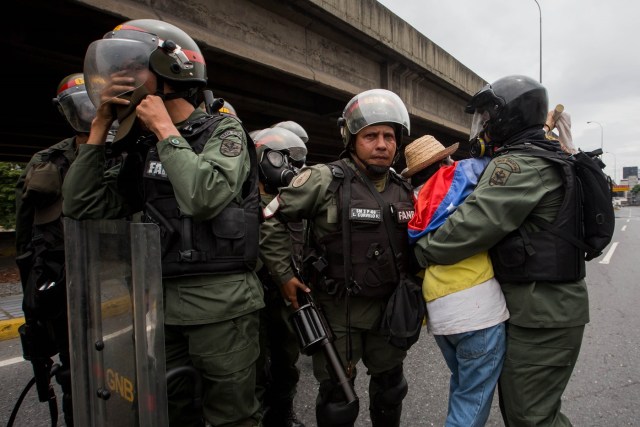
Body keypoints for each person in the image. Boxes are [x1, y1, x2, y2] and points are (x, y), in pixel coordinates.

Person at [61, 19, 264, 427]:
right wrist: (100, 129)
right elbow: (81, 204)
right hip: (155, 306)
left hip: (219, 309)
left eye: (133, 70)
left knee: (232, 417)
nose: (121, 80)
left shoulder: (222, 130)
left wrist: (165, 129)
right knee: (168, 413)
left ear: (171, 73)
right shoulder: (138, 146)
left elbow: (205, 197)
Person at [413, 75, 589, 426]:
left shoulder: (519, 166)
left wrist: (419, 251)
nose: (484, 127)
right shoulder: (539, 155)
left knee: (531, 417)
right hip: (539, 308)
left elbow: (465, 230)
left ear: (508, 115)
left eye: (488, 116)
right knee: (523, 411)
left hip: (542, 313)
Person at [261, 88, 416, 427]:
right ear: (352, 139)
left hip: (389, 314)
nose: (381, 144)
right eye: (371, 135)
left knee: (391, 389)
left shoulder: (404, 189)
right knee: (338, 399)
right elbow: (271, 217)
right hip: (337, 312)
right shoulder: (324, 179)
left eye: (389, 136)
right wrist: (284, 275)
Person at [403, 135, 509, 427]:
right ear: (444, 162)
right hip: (477, 310)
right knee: (472, 398)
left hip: (439, 313)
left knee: (462, 385)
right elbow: (497, 166)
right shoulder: (458, 182)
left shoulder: (415, 204)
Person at [14, 72, 98, 427]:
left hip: (121, 281)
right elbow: (26, 235)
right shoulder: (46, 162)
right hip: (63, 285)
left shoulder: (130, 152)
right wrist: (31, 296)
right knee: (75, 377)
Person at [253, 126, 308, 427]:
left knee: (287, 360)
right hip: (253, 296)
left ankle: (282, 414)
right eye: (281, 160)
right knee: (254, 365)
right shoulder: (241, 202)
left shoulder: (294, 204)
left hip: (285, 296)